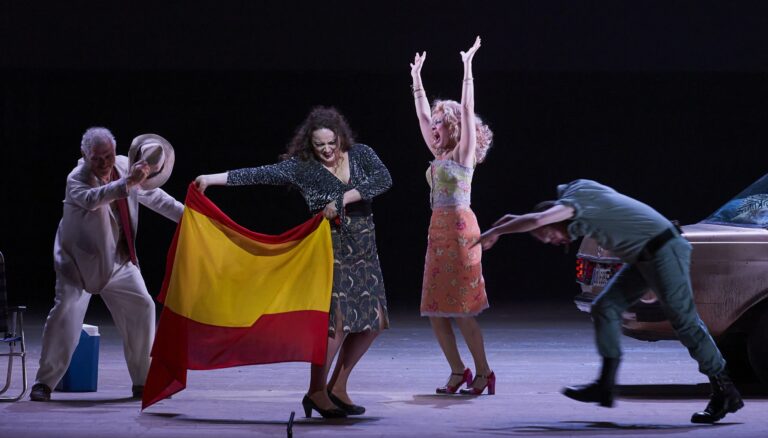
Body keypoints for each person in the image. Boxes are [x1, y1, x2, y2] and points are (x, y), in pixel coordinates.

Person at [477, 178, 744, 423]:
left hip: (665, 251)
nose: (552, 241)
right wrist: (515, 221)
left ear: (554, 219)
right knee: (606, 306)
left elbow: (538, 221)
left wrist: (496, 232)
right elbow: (538, 221)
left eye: (549, 235)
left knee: (684, 321)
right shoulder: (579, 200)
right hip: (644, 258)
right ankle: (605, 385)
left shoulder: (576, 203)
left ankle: (725, 391)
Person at [194, 106, 392, 418]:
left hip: (365, 246)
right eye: (319, 145)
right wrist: (212, 178)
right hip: (329, 248)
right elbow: (260, 174)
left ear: (341, 137)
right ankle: (316, 391)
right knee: (336, 324)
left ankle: (338, 386)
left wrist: (342, 199)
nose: (327, 150)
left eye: (331, 143)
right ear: (309, 145)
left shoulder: (361, 154)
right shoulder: (302, 168)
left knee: (373, 320)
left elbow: (383, 179)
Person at [30, 127, 184, 402]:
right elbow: (94, 199)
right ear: (85, 155)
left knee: (143, 306)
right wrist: (129, 183)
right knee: (65, 310)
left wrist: (190, 219)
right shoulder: (77, 178)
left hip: (118, 261)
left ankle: (143, 381)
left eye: (108, 155)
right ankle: (44, 382)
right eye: (97, 157)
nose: (104, 162)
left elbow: (155, 197)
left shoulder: (126, 166)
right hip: (77, 262)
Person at [410, 37, 495, 395]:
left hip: (460, 234)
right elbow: (421, 114)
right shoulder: (438, 153)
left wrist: (467, 68)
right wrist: (416, 78)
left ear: (455, 127)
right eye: (435, 123)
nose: (434, 126)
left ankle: (485, 371)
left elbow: (468, 107)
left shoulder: (463, 155)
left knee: (462, 310)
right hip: (437, 233)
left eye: (442, 122)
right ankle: (458, 371)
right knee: (434, 310)